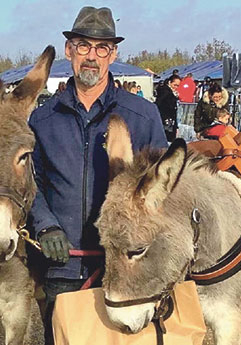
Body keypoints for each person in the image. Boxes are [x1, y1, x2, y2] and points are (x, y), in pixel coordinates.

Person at [27, 7, 168, 345]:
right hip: (64, 264)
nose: (91, 57)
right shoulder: (43, 120)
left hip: (128, 267)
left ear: (113, 54)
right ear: (69, 51)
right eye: (83, 46)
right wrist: (46, 225)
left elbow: (164, 190)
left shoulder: (142, 115)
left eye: (101, 48)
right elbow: (31, 184)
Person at [155, 74, 181, 141]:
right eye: (174, 85)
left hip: (170, 121)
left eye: (178, 85)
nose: (176, 87)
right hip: (166, 121)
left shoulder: (172, 93)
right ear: (169, 82)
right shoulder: (165, 92)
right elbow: (158, 104)